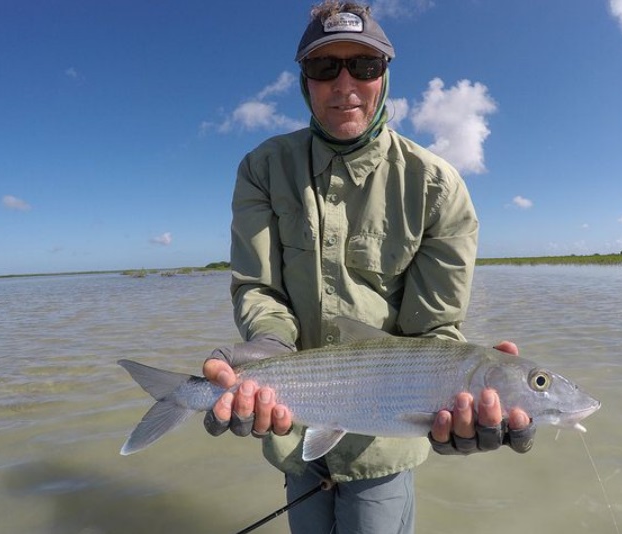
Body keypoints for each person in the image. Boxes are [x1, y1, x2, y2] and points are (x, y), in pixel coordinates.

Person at [202, 2, 535, 532]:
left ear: (385, 75)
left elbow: (433, 330)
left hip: (388, 440)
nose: (344, 84)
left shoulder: (437, 185)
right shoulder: (262, 168)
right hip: (294, 422)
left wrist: (459, 394)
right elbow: (259, 288)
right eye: (323, 67)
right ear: (304, 81)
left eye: (364, 66)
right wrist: (263, 350)